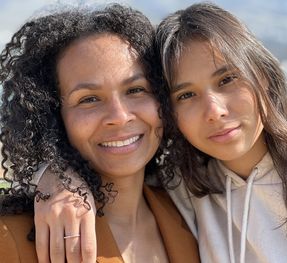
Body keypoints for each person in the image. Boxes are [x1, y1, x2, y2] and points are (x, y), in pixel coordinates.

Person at [34, 2, 287, 263]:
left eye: (227, 80)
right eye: (186, 95)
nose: (214, 111)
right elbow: (119, 163)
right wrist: (56, 177)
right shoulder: (186, 186)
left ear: (263, 77)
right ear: (169, 112)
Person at [0, 3, 199, 263]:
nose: (119, 116)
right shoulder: (11, 238)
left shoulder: (191, 210)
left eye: (136, 90)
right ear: (52, 117)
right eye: (89, 99)